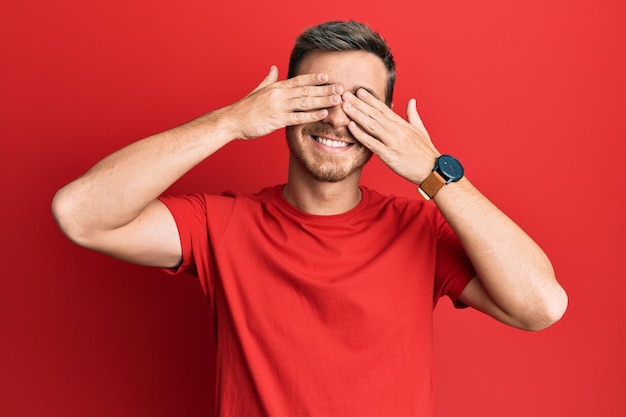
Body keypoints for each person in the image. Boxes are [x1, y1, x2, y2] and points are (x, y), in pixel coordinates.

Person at [52, 20, 567, 417]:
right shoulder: (224, 224)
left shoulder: (419, 230)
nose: (336, 118)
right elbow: (80, 214)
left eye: (362, 105)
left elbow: (541, 305)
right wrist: (231, 121)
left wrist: (433, 172)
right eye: (317, 97)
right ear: (284, 104)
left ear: (386, 122)